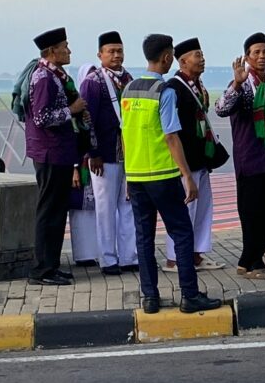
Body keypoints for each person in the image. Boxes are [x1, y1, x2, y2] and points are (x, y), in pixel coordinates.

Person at [121, 34, 221, 314]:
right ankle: (189, 295)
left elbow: (125, 135)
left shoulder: (128, 89)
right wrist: (187, 175)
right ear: (167, 58)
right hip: (163, 175)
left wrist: (129, 175)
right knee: (182, 232)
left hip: (137, 176)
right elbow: (171, 137)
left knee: (144, 239)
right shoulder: (164, 91)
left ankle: (150, 297)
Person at [215, 31, 265, 280]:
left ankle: (252, 260)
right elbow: (221, 109)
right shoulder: (243, 85)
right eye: (256, 53)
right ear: (247, 57)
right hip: (251, 159)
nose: (262, 56)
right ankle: (249, 261)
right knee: (252, 212)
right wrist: (236, 83)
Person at [27, 27, 86, 286]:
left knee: (57, 210)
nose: (69, 51)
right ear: (52, 51)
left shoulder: (56, 75)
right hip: (49, 152)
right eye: (65, 46)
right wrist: (71, 110)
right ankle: (42, 269)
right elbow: (41, 118)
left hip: (60, 152)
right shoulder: (43, 78)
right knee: (48, 211)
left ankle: (51, 264)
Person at [161, 37, 225, 273]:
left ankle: (196, 254)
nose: (202, 59)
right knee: (183, 209)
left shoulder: (197, 85)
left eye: (202, 55)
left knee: (203, 207)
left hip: (201, 158)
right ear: (182, 61)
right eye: (197, 55)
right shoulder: (174, 88)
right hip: (185, 159)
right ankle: (174, 257)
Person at [81, 31, 138, 275]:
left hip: (130, 154)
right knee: (105, 208)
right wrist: (93, 152)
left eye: (119, 50)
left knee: (128, 207)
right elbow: (86, 120)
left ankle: (129, 256)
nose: (116, 55)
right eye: (111, 51)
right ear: (100, 54)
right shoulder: (93, 82)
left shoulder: (129, 79)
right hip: (104, 155)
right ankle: (108, 259)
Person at [69, 63, 100, 268]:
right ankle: (82, 254)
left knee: (96, 210)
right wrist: (74, 169)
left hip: (93, 162)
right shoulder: (76, 107)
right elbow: (73, 137)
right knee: (80, 211)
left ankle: (96, 251)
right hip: (79, 165)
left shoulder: (90, 108)